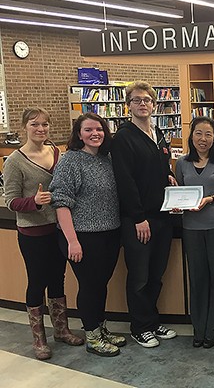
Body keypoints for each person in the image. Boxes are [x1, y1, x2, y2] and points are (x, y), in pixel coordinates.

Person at [3, 107, 83, 360]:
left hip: (57, 228)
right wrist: (34, 202)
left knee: (57, 279)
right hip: (33, 231)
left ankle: (61, 329)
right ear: (25, 126)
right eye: (35, 124)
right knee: (37, 281)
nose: (41, 129)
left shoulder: (58, 153)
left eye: (45, 125)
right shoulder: (15, 160)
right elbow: (10, 200)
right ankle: (39, 339)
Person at [50, 113, 125, 357]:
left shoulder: (107, 159)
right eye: (88, 130)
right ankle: (92, 335)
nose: (95, 134)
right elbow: (60, 202)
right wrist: (72, 241)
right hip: (82, 236)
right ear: (78, 134)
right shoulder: (70, 161)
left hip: (109, 233)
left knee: (100, 284)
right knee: (90, 286)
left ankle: (100, 327)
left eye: (99, 129)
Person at [111, 81, 178, 348]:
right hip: (138, 219)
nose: (143, 104)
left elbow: (161, 165)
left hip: (162, 215)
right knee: (139, 275)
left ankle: (151, 320)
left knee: (155, 274)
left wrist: (170, 176)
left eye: (147, 100)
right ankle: (139, 326)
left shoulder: (157, 131)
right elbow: (125, 181)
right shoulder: (123, 137)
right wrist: (138, 217)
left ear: (154, 104)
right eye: (137, 100)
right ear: (128, 105)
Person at [175, 116, 214, 349]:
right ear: (191, 136)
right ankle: (198, 329)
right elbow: (179, 191)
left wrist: (209, 199)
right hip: (191, 227)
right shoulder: (181, 163)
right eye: (199, 133)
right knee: (197, 279)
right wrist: (177, 201)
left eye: (208, 134)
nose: (203, 139)